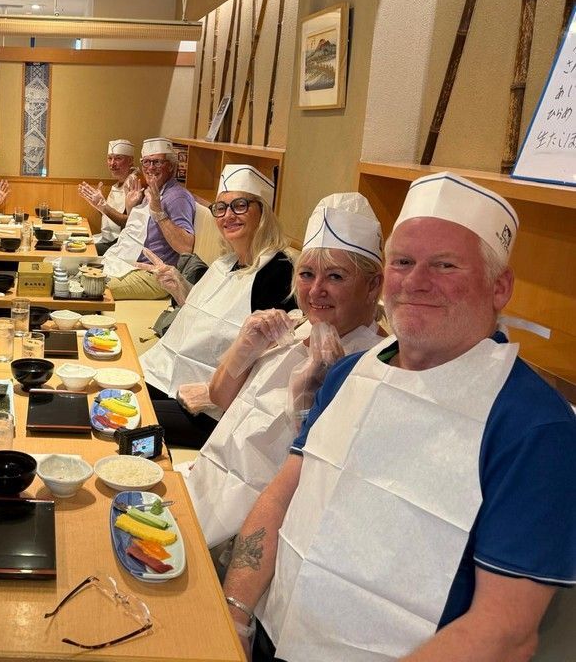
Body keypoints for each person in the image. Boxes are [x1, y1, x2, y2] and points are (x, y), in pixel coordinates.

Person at [223, 172, 576, 662]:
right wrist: (234, 614)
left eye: (445, 265)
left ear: (500, 287)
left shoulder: (536, 427)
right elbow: (280, 496)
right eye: (403, 262)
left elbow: (506, 632)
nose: (414, 281)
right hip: (272, 633)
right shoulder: (350, 372)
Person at [176, 193, 384, 562]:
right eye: (306, 274)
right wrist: (243, 348)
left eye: (335, 276)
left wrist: (315, 403)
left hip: (263, 530)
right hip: (207, 479)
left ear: (373, 286)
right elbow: (220, 399)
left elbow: (332, 488)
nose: (315, 290)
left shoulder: (376, 363)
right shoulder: (290, 326)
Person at [138, 164, 295, 448]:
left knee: (129, 418)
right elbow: (209, 318)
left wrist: (212, 394)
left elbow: (275, 357)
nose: (228, 215)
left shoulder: (278, 271)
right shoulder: (227, 262)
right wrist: (179, 286)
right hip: (171, 376)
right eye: (220, 208)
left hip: (215, 409)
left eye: (239, 205)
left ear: (263, 212)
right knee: (111, 391)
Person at [100, 137, 196, 300]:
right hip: (130, 264)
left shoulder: (177, 197)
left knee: (92, 287)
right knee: (74, 272)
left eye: (157, 162)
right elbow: (137, 233)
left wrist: (159, 213)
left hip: (155, 276)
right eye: (146, 162)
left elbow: (185, 247)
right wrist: (131, 208)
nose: (151, 167)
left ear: (171, 166)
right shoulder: (152, 191)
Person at [77, 138, 144, 255]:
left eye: (118, 158)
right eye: (110, 158)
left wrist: (103, 206)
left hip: (121, 244)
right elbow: (110, 215)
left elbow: (128, 223)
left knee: (78, 251)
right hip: (107, 238)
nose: (112, 164)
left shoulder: (134, 182)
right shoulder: (118, 183)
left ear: (130, 161)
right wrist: (97, 205)